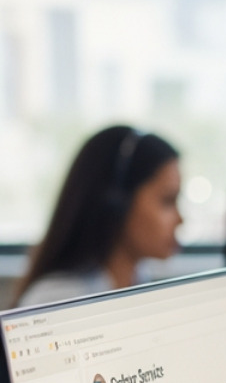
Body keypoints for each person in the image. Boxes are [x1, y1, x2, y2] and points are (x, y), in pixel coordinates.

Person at [12, 126, 182, 309]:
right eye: (167, 201)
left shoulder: (138, 280)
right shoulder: (58, 300)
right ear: (116, 202)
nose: (180, 219)